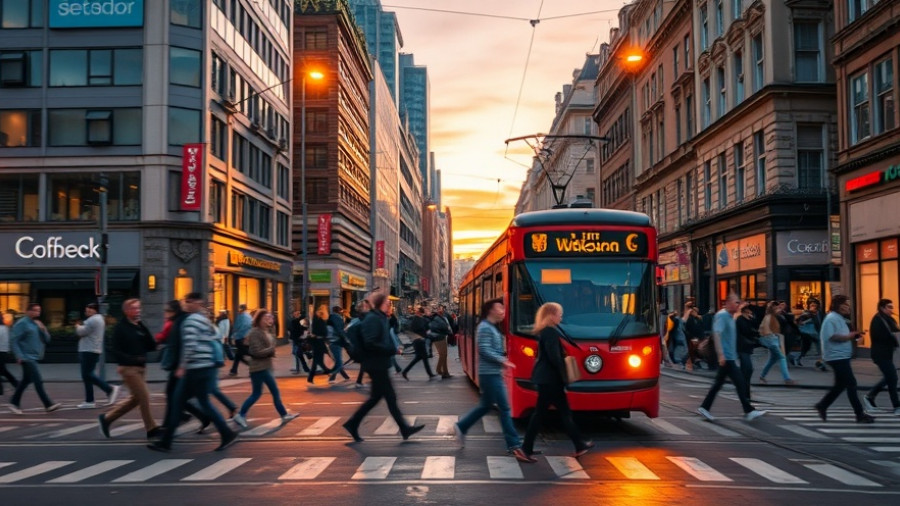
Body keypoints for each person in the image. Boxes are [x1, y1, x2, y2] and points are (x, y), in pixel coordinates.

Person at [148, 292, 239, 452]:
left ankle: (166, 442)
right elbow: (214, 336)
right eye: (186, 301)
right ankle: (226, 433)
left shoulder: (190, 321)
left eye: (189, 301)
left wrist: (182, 366)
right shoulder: (204, 319)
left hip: (193, 368)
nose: (186, 304)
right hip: (206, 367)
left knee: (177, 403)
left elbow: (190, 346)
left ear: (197, 302)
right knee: (204, 402)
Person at [454, 298, 530, 462]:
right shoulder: (485, 327)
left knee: (485, 406)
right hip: (489, 374)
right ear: (490, 310)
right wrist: (502, 360)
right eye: (499, 308)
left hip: (492, 373)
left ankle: (461, 426)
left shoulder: (491, 327)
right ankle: (514, 445)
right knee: (504, 408)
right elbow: (484, 350)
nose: (503, 310)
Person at [342, 292, 425, 443]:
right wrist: (392, 350)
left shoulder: (379, 317)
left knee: (377, 398)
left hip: (378, 363)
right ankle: (404, 429)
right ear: (381, 304)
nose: (390, 305)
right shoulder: (373, 319)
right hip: (375, 364)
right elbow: (370, 343)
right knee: (389, 398)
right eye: (388, 303)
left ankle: (353, 424)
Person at [521, 302, 593, 461]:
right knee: (548, 414)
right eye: (559, 314)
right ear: (551, 315)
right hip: (550, 380)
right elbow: (555, 358)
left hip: (547, 379)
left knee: (556, 413)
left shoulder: (546, 332)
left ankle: (579, 444)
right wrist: (565, 376)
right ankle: (526, 449)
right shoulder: (550, 333)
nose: (561, 316)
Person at [697, 293, 767, 422]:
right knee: (740, 383)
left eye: (738, 302)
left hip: (729, 357)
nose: (738, 304)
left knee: (719, 384)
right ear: (728, 303)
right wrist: (721, 354)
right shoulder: (722, 316)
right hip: (726, 358)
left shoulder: (731, 316)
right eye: (736, 302)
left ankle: (704, 407)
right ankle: (749, 411)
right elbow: (717, 334)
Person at [98, 299, 161, 439]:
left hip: (141, 368)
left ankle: (107, 419)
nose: (138, 311)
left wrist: (144, 329)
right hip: (128, 368)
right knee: (144, 396)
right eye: (134, 308)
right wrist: (128, 360)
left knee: (135, 399)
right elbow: (115, 350)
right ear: (126, 311)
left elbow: (150, 345)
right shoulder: (120, 328)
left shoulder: (139, 326)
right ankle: (151, 429)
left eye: (139, 308)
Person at [233, 308, 298, 428]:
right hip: (259, 367)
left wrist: (271, 344)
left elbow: (269, 345)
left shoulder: (267, 331)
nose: (270, 319)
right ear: (259, 319)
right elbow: (256, 351)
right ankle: (241, 415)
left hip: (265, 366)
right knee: (265, 393)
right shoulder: (255, 332)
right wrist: (271, 349)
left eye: (271, 317)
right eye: (266, 317)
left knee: (259, 393)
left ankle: (283, 414)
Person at [155, 299, 212, 435]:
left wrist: (182, 365)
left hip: (182, 367)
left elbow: (182, 345)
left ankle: (168, 429)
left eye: (167, 311)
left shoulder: (178, 322)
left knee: (174, 395)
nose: (165, 313)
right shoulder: (179, 321)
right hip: (183, 366)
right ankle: (200, 417)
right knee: (178, 396)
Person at [815, 294, 874, 423]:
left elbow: (843, 335)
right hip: (836, 356)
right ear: (838, 305)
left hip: (841, 355)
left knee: (840, 385)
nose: (848, 308)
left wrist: (854, 335)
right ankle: (859, 414)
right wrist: (850, 336)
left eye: (848, 305)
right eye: (845, 305)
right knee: (851, 383)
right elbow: (833, 336)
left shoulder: (840, 318)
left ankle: (822, 405)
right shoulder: (831, 318)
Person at [8, 303, 59, 414]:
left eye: (39, 311)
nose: (37, 313)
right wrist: (19, 356)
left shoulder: (37, 323)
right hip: (26, 357)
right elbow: (14, 341)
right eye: (35, 310)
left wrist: (43, 329)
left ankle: (14, 403)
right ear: (28, 311)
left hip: (35, 356)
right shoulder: (22, 323)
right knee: (38, 380)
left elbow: (47, 340)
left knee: (26, 381)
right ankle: (48, 404)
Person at [75, 302, 120, 409]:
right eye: (87, 309)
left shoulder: (93, 320)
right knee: (87, 375)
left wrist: (77, 326)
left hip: (88, 350)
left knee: (88, 374)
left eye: (91, 309)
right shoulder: (98, 319)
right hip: (91, 349)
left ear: (95, 310)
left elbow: (82, 332)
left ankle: (109, 389)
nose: (88, 311)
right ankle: (89, 400)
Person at [863, 299, 900, 415]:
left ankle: (870, 396)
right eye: (889, 307)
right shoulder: (877, 320)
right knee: (892, 378)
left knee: (890, 377)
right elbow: (880, 337)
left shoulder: (890, 320)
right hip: (880, 354)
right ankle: (897, 406)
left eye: (892, 307)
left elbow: (896, 332)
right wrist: (893, 337)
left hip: (889, 353)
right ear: (882, 308)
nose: (891, 309)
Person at [758, 301, 796, 385]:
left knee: (772, 360)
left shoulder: (776, 317)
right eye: (777, 307)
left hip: (774, 340)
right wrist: (774, 339)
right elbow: (766, 331)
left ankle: (762, 376)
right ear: (773, 309)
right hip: (772, 340)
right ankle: (787, 379)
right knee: (782, 358)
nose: (779, 309)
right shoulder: (769, 317)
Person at [402, 306, 436, 380]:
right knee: (424, 358)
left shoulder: (421, 319)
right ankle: (430, 374)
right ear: (420, 313)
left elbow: (426, 326)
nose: (417, 312)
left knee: (419, 358)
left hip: (421, 340)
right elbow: (415, 329)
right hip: (418, 340)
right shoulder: (416, 319)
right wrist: (424, 333)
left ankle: (405, 371)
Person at [735, 303, 760, 401]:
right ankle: (745, 394)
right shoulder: (740, 320)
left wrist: (752, 319)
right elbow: (745, 333)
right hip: (742, 348)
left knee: (747, 371)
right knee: (747, 370)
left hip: (747, 348)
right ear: (746, 311)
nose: (751, 312)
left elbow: (754, 329)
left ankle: (746, 394)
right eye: (749, 310)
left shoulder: (748, 320)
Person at [797, 299, 826, 369]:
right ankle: (797, 358)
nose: (814, 307)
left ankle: (822, 364)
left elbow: (823, 321)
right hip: (808, 334)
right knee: (805, 348)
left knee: (821, 349)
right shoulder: (807, 313)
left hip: (817, 333)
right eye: (812, 305)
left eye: (815, 305)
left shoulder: (820, 313)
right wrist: (806, 320)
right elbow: (799, 321)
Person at [307, 305, 333, 384]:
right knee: (320, 360)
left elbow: (315, 331)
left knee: (318, 360)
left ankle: (311, 378)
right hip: (319, 342)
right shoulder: (320, 320)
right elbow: (323, 332)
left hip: (317, 342)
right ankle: (329, 372)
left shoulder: (317, 319)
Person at [351, 299, 373, 387]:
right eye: (365, 306)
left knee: (366, 364)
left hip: (362, 346)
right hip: (363, 346)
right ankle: (360, 381)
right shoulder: (364, 318)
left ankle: (361, 381)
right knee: (365, 364)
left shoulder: (359, 318)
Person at [327, 306, 351, 383]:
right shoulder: (337, 318)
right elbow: (340, 330)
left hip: (332, 342)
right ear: (339, 311)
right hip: (336, 341)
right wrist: (346, 339)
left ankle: (345, 376)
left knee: (338, 361)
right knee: (339, 362)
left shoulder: (330, 318)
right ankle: (332, 377)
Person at [429, 305, 453, 378]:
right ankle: (439, 369)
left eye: (442, 309)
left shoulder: (441, 317)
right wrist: (446, 330)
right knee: (443, 354)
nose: (441, 310)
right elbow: (442, 327)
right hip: (439, 338)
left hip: (441, 337)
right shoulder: (437, 318)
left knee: (444, 355)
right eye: (440, 309)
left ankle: (445, 372)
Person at [0, 310, 20, 397]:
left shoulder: (1, 328)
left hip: (0, 352)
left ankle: (1, 390)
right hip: (4, 352)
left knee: (3, 371)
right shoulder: (5, 328)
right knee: (3, 371)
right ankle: (16, 384)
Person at [229, 304, 252, 376]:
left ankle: (253, 366)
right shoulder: (249, 316)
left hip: (239, 337)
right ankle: (234, 370)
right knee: (238, 354)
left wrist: (233, 335)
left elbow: (236, 326)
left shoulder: (240, 316)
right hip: (247, 338)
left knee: (243, 353)